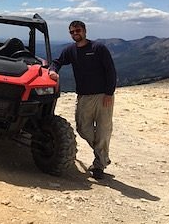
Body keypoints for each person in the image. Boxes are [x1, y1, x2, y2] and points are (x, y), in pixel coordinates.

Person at [48, 20, 117, 180]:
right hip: (84, 96)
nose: (75, 34)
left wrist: (109, 93)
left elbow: (110, 70)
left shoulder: (98, 48)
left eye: (77, 30)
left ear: (84, 30)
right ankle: (103, 156)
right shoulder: (71, 50)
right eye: (72, 32)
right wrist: (53, 71)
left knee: (103, 131)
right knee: (82, 128)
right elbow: (57, 62)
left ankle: (99, 165)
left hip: (103, 96)